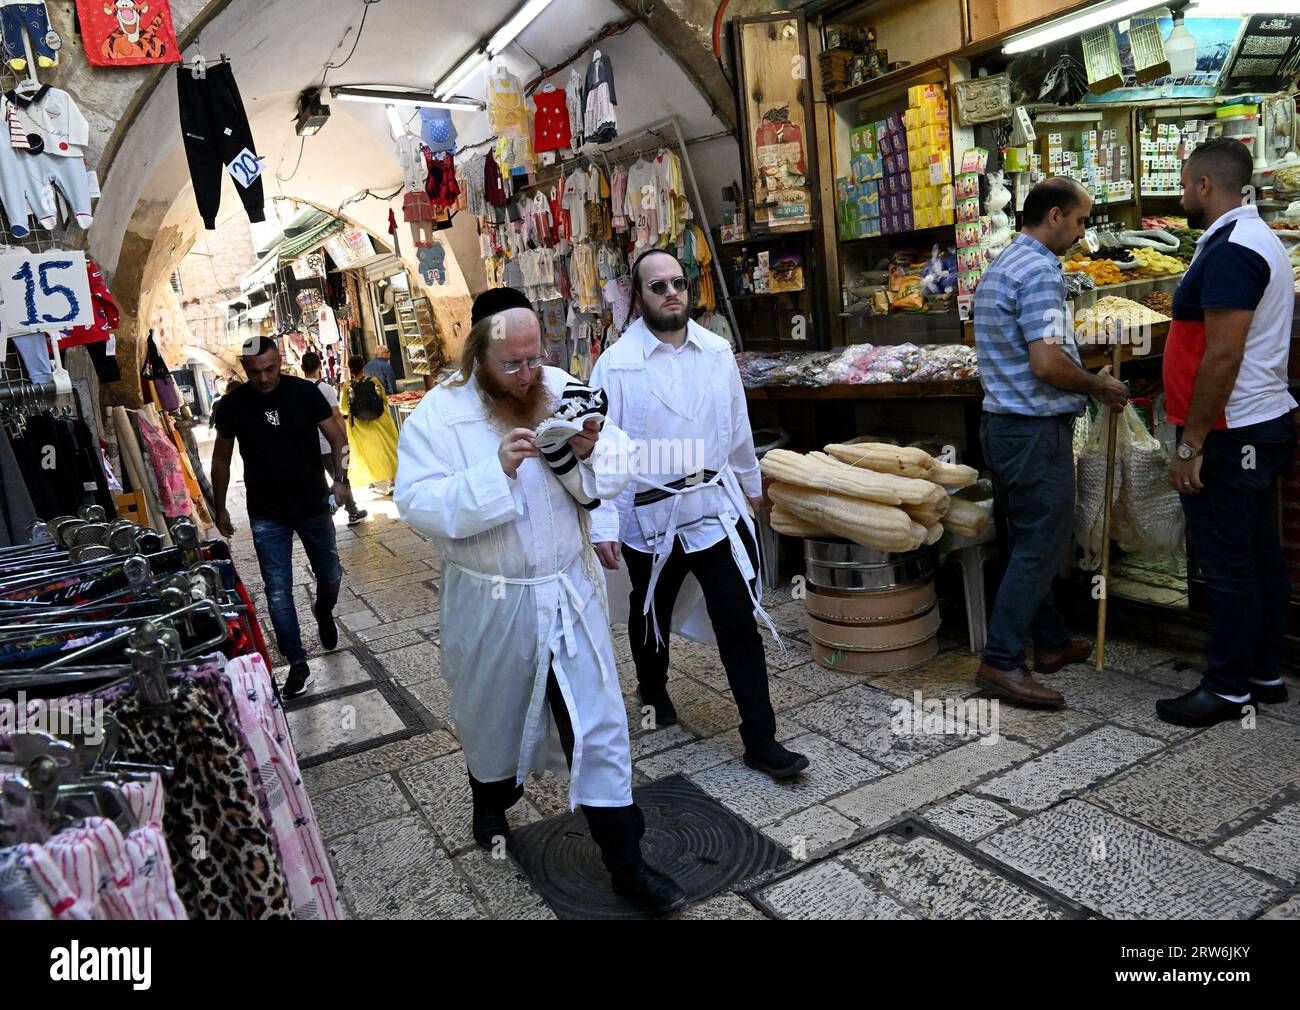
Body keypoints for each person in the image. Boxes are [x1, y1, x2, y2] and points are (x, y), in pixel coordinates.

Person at [395, 287, 686, 913]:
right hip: (492, 603)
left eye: (534, 359)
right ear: (478, 355)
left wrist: (587, 453)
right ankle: (489, 797)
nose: (529, 374)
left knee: (601, 727)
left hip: (569, 592)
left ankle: (627, 863)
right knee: (494, 722)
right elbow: (417, 504)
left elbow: (617, 464)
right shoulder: (437, 418)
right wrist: (492, 472)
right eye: (512, 364)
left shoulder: (562, 386)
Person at [590, 250, 809, 781]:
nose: (670, 293)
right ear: (638, 297)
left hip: (713, 508)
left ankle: (761, 738)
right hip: (648, 516)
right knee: (650, 618)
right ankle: (654, 688)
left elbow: (737, 428)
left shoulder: (715, 352)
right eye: (657, 285)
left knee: (739, 619)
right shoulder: (616, 364)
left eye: (678, 283)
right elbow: (604, 449)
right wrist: (606, 523)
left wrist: (754, 490)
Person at [1155, 139, 1297, 727]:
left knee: (1230, 561)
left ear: (1205, 186)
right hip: (1253, 426)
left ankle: (1228, 687)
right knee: (1260, 554)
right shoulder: (1243, 239)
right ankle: (1264, 673)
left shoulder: (1236, 248)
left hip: (1235, 429)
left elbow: (1222, 356)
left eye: (1186, 184)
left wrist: (1192, 442)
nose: (1183, 194)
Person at [972, 178, 1129, 708]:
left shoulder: (1003, 263)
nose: (1082, 233)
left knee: (1024, 542)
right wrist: (1097, 384)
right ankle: (1001, 661)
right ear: (1056, 215)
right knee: (1042, 546)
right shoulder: (1039, 269)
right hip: (1033, 430)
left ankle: (1052, 642)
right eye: (1081, 221)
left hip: (1003, 426)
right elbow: (1045, 362)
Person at [211, 337, 351, 698]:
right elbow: (222, 458)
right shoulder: (233, 406)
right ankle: (298, 663)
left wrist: (341, 479)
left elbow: (339, 439)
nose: (263, 378)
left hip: (313, 505)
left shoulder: (305, 393)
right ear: (245, 369)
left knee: (331, 575)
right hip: (266, 512)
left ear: (280, 363)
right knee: (277, 591)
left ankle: (323, 611)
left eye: (270, 369)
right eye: (255, 371)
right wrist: (220, 505)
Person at [301, 352, 367, 526]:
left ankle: (321, 515)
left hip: (308, 445)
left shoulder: (297, 389)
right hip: (328, 442)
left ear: (302, 368)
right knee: (340, 478)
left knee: (317, 482)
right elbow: (336, 415)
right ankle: (352, 512)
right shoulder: (326, 389)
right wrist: (344, 437)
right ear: (319, 368)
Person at [341, 354, 399, 496]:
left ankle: (371, 481)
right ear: (363, 367)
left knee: (364, 453)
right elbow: (384, 400)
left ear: (350, 369)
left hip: (359, 427)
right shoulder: (373, 381)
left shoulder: (347, 386)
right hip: (380, 422)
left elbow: (344, 409)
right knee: (386, 449)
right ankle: (392, 482)